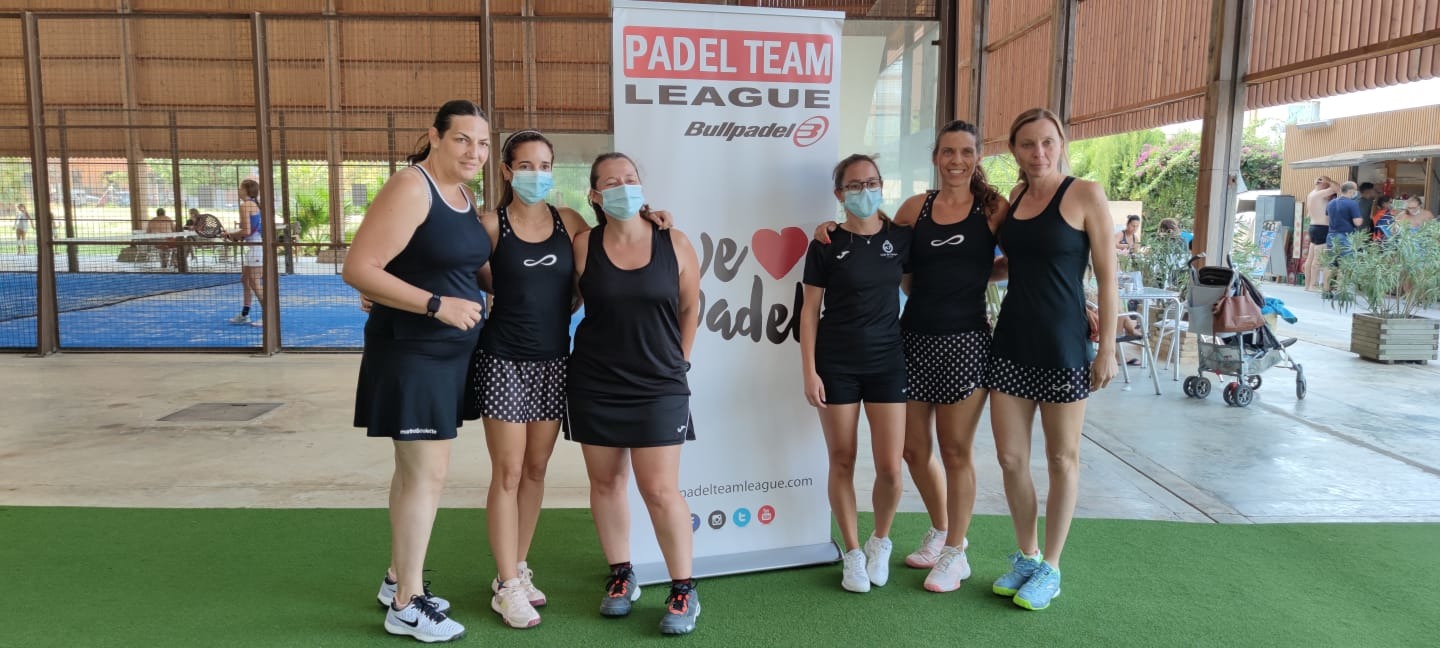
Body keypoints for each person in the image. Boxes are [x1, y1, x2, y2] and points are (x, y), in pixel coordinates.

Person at [471, 130, 671, 630]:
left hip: (556, 360)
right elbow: (460, 272)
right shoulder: (490, 226)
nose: (536, 175)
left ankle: (517, 568)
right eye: (526, 166)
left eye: (545, 166)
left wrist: (652, 216)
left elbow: (612, 243)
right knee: (508, 472)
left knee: (536, 470)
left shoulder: (571, 222)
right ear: (507, 171)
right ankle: (507, 584)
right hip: (503, 361)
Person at [813, 121, 1009, 591]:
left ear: (978, 156)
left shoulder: (993, 208)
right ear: (935, 156)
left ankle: (956, 551)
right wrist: (832, 227)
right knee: (913, 451)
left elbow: (1021, 258)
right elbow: (877, 244)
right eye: (947, 152)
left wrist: (981, 272)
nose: (956, 160)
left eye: (966, 151)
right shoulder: (915, 208)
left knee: (955, 450)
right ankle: (940, 531)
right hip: (913, 340)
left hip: (966, 341)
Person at [342, 99, 491, 643]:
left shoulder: (463, 196)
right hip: (412, 352)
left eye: (482, 143)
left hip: (449, 355)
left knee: (413, 474)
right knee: (427, 476)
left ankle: (395, 580)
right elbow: (358, 268)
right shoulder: (412, 186)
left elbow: (457, 264)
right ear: (435, 136)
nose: (474, 152)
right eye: (462, 139)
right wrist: (435, 305)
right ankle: (407, 604)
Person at [983, 107, 1118, 611]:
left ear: (1061, 144)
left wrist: (1106, 348)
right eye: (1027, 144)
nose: (1038, 152)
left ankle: (1052, 567)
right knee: (1010, 458)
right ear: (1013, 150)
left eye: (1047, 142)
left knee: (1062, 459)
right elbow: (1012, 263)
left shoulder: (1085, 194)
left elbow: (1108, 276)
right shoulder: (1015, 198)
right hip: (1012, 342)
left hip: (1063, 346)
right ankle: (1027, 555)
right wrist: (955, 271)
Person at [567, 152, 703, 635]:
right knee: (606, 483)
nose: (623, 186)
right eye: (611, 182)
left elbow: (691, 307)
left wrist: (680, 361)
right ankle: (622, 575)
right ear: (595, 195)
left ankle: (684, 589)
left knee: (660, 490)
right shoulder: (583, 245)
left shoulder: (674, 241)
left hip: (659, 384)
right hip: (595, 382)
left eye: (630, 178)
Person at [800, 154, 913, 594]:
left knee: (890, 468)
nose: (864, 191)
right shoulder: (825, 243)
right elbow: (809, 312)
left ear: (881, 186)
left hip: (888, 363)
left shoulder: (900, 238)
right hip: (837, 364)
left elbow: (923, 284)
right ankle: (851, 552)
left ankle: (879, 541)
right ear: (839, 194)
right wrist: (809, 371)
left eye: (871, 183)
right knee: (842, 459)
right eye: (854, 185)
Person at [228, 179, 266, 326]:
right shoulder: (254, 204)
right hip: (254, 247)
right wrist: (235, 236)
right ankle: (245, 314)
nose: (238, 190)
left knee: (255, 283)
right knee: (245, 280)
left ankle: (268, 316)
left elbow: (246, 231)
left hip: (256, 248)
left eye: (240, 188)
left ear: (246, 190)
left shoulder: (245, 205)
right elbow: (248, 232)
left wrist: (231, 235)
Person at [1324, 181, 1364, 297]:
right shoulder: (1352, 204)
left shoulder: (1331, 203)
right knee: (1344, 265)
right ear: (1351, 191)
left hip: (1331, 235)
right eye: (1355, 190)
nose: (1356, 193)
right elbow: (1357, 222)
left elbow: (1327, 219)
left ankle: (1326, 291)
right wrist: (1362, 220)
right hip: (1345, 236)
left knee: (1330, 264)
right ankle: (1340, 293)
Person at [1303, 176, 1338, 291]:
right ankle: (1313, 285)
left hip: (1313, 226)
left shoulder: (1311, 194)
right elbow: (1338, 189)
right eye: (1326, 185)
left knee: (1310, 258)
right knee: (1318, 259)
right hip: (1322, 228)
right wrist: (1329, 181)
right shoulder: (1319, 194)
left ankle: (1307, 285)